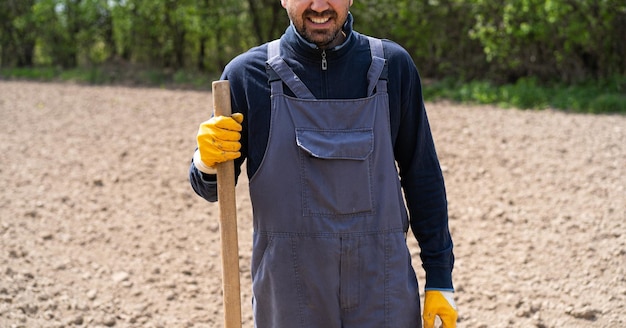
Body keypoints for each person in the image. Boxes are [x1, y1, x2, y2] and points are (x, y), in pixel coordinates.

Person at [189, 1, 457, 327]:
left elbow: (422, 175)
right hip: (290, 294)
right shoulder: (246, 76)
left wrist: (440, 276)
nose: (319, 5)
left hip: (383, 289)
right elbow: (213, 189)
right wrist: (206, 160)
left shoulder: (393, 67)